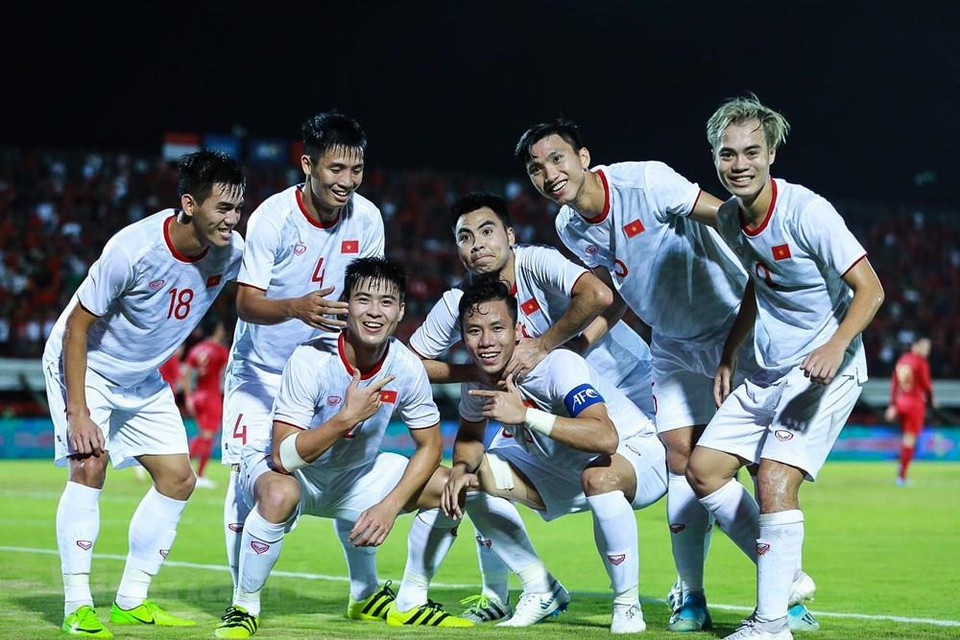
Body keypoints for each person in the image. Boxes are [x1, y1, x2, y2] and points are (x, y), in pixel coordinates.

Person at [515, 118, 824, 632]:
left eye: (556, 158)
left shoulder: (644, 181)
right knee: (681, 458)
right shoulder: (569, 227)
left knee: (753, 465)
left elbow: (726, 216)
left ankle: (783, 591)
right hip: (672, 343)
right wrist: (579, 347)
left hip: (733, 329)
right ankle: (692, 594)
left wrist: (773, 282)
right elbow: (615, 292)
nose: (549, 174)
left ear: (583, 157)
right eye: (536, 169)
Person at [686, 95, 884, 640]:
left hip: (825, 367)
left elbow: (871, 289)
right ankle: (786, 576)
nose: (739, 164)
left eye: (752, 151)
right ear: (715, 158)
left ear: (771, 153)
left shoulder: (807, 211)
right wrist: (730, 352)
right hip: (768, 368)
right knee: (703, 470)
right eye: (728, 154)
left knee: (774, 477)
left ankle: (771, 623)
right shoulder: (729, 218)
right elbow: (760, 280)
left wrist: (837, 345)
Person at [409, 191, 655, 622]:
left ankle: (673, 594)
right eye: (465, 237)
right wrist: (476, 373)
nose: (477, 245)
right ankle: (516, 591)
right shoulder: (461, 305)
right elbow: (410, 365)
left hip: (621, 382)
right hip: (543, 401)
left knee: (686, 471)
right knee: (472, 475)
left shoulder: (536, 264)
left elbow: (600, 294)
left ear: (510, 235)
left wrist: (550, 346)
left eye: (487, 231)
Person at [42, 151, 245, 638]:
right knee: (90, 464)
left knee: (178, 479)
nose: (233, 219)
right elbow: (76, 327)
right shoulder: (132, 250)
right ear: (189, 204)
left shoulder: (231, 252)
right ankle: (77, 606)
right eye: (223, 208)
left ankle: (131, 600)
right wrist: (78, 412)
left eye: (238, 208)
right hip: (87, 365)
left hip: (142, 375)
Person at [215, 258, 472, 637]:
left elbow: (431, 446)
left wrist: (389, 506)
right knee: (279, 493)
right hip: (292, 473)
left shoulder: (405, 366)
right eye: (363, 300)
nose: (374, 312)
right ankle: (244, 606)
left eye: (387, 302)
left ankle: (410, 603)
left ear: (401, 311)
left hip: (355, 475)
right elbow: (283, 456)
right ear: (346, 305)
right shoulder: (312, 359)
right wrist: (345, 419)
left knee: (450, 486)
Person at [219, 112, 386, 618]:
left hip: (321, 372)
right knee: (253, 479)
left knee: (348, 471)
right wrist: (296, 307)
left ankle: (366, 592)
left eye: (356, 170)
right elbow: (245, 303)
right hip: (261, 372)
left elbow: (370, 296)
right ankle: (241, 599)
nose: (347, 181)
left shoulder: (368, 219)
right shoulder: (272, 217)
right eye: (336, 169)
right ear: (308, 164)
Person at [441, 277, 668, 634]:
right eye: (474, 331)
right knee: (466, 480)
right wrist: (459, 467)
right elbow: (470, 438)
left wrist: (525, 416)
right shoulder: (478, 378)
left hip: (635, 454)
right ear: (463, 337)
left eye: (497, 328)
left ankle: (627, 605)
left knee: (598, 478)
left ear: (517, 330)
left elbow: (606, 438)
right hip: (562, 467)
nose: (486, 341)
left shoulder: (557, 365)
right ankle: (540, 586)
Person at [183, 316, 230, 488]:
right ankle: (199, 475)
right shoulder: (220, 351)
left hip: (197, 396)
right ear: (217, 331)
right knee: (208, 436)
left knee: (202, 434)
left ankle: (185, 469)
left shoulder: (196, 349)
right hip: (211, 396)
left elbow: (186, 374)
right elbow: (228, 373)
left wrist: (188, 396)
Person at [886, 337, 933, 485]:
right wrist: (931, 400)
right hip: (914, 404)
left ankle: (901, 466)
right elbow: (926, 385)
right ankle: (901, 476)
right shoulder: (921, 362)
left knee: (906, 438)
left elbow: (894, 383)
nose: (926, 351)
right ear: (915, 346)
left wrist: (893, 404)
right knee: (910, 439)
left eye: (928, 348)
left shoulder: (902, 360)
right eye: (924, 347)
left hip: (901, 403)